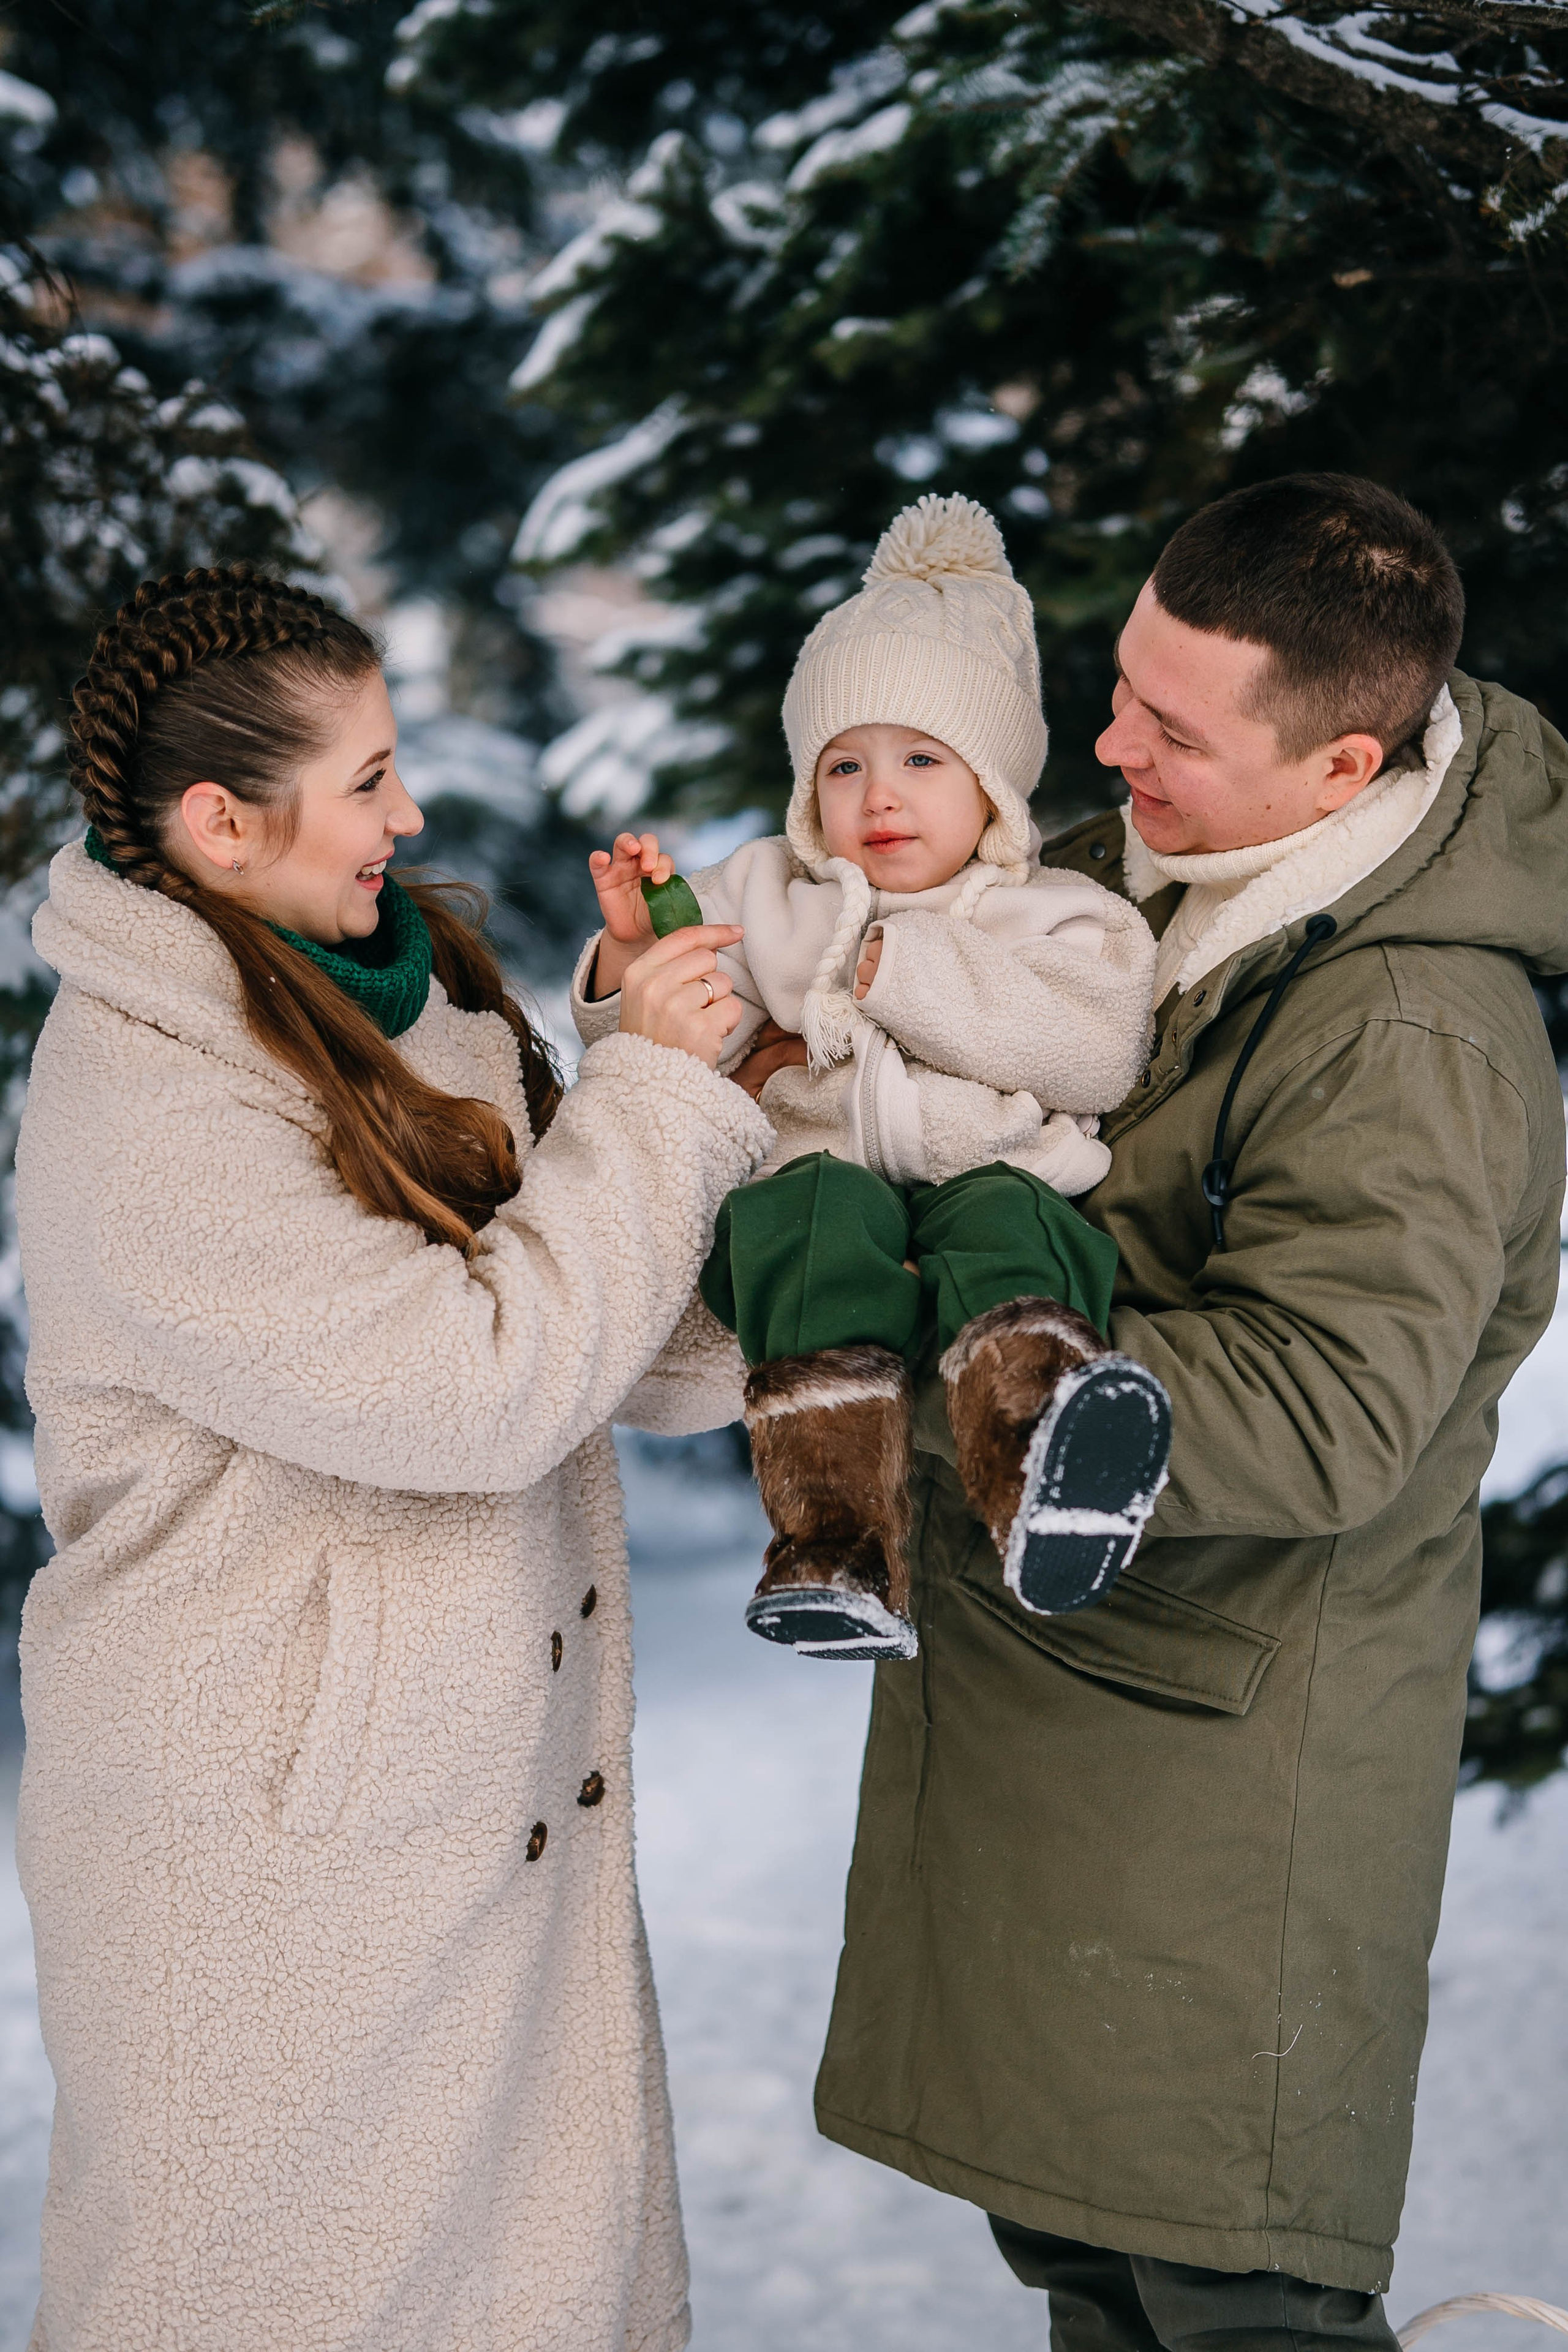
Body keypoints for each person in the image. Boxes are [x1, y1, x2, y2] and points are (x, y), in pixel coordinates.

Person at [811, 475, 1568, 2346]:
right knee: (1096, 2273)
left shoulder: (1406, 1030)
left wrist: (904, 1369)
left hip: (1227, 1786)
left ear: (1342, 767)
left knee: (1234, 2294)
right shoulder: (1125, 873)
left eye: (1172, 727)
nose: (1108, 745)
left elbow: (1324, 1409)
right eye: (1122, 690)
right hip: (1077, 1728)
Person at [14, 564, 772, 2352]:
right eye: (365, 779)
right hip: (269, 1858)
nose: (407, 814)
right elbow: (477, 1392)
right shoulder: (147, 1100)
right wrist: (656, 1102)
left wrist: (712, 1090)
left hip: (481, 1811)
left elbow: (633, 1350)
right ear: (221, 823)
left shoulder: (416, 996)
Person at [573, 494, 1167, 1664]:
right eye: (843, 765)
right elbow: (678, 1040)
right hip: (820, 1174)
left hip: (988, 1167)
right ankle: (834, 1540)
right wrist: (635, 956)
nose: (878, 795)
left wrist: (902, 970)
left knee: (1013, 1229)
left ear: (993, 783)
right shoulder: (767, 893)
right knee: (801, 1222)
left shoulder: (1061, 914)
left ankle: (1048, 1461)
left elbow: (1095, 1048)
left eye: (921, 760)